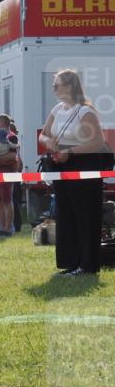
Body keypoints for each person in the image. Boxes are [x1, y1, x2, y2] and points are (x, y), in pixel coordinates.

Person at [40, 69, 109, 275]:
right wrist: (49, 142)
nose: (54, 89)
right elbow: (43, 135)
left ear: (70, 86)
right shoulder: (57, 109)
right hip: (62, 165)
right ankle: (71, 262)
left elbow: (97, 142)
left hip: (84, 164)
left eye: (57, 85)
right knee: (67, 214)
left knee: (84, 215)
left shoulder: (85, 111)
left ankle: (87, 265)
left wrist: (70, 151)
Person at [0, 114, 20, 236]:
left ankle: (8, 228)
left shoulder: (12, 137)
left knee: (7, 200)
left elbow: (12, 156)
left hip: (6, 172)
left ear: (4, 123)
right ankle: (1, 228)